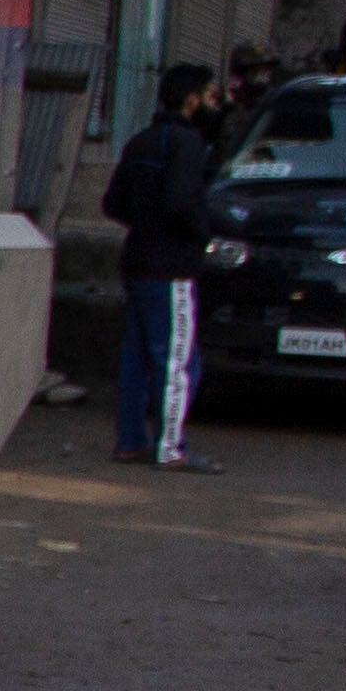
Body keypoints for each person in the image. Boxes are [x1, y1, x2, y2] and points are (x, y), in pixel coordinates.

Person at [102, 62, 219, 468]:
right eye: (210, 95)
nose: (213, 103)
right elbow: (180, 203)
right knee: (176, 360)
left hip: (137, 263)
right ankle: (171, 448)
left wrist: (146, 222)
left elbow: (112, 203)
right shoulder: (186, 143)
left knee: (135, 359)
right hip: (172, 269)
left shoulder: (141, 142)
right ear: (192, 99)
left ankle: (130, 441)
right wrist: (201, 232)